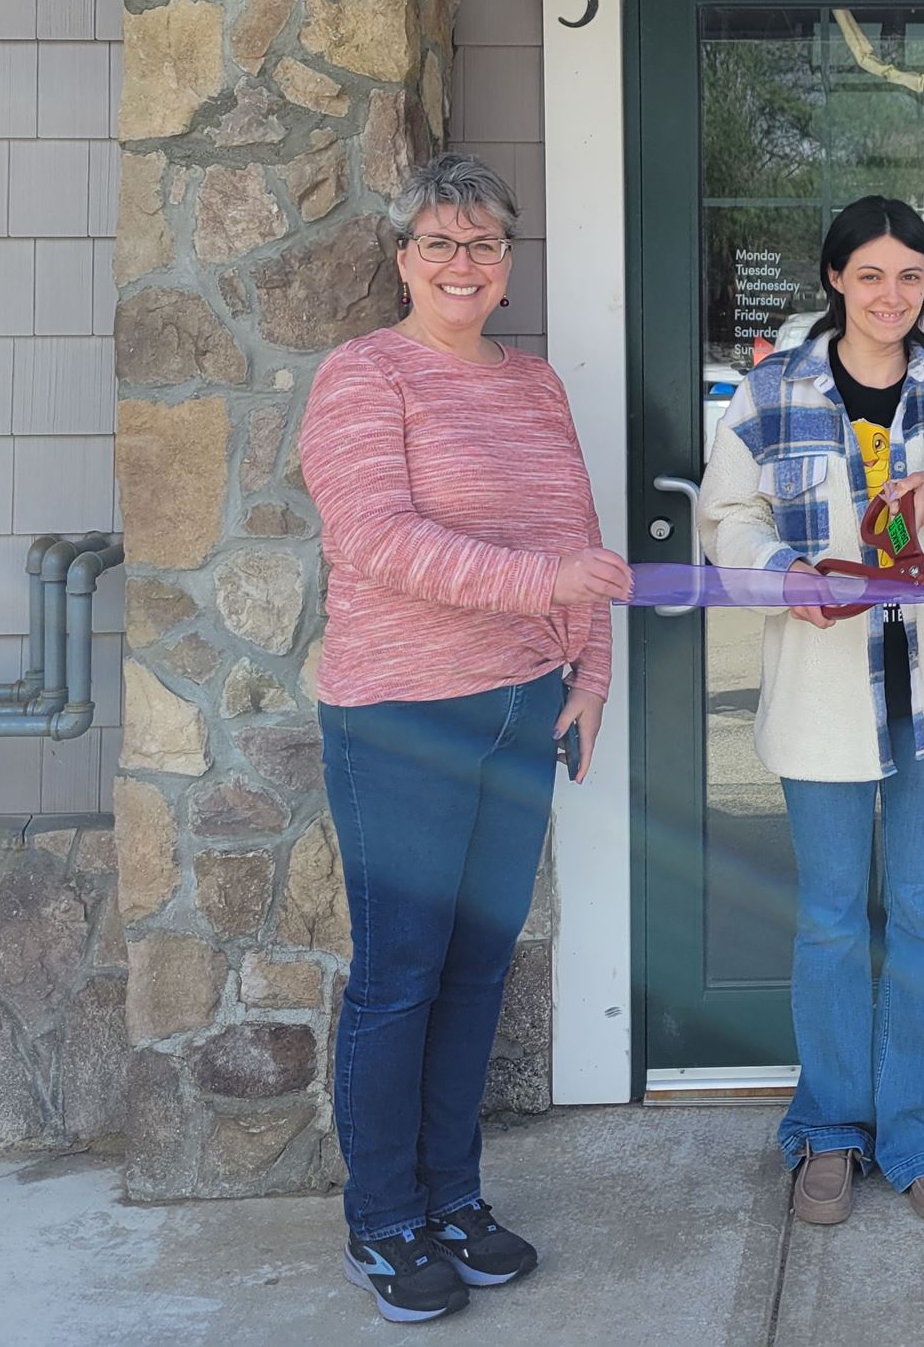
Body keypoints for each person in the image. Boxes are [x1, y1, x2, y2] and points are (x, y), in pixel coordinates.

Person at [298, 152, 633, 1325]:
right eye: (438, 242)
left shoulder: (533, 384)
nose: (461, 263)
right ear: (401, 259)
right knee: (401, 975)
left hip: (520, 706)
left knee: (478, 966)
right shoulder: (361, 378)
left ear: (505, 267)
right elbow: (377, 539)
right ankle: (383, 1221)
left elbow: (579, 537)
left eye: (484, 244)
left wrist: (586, 673)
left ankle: (452, 1199)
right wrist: (540, 580)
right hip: (398, 717)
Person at [696, 197, 924, 1228]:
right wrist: (782, 575)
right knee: (834, 919)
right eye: (872, 275)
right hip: (822, 690)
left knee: (922, 913)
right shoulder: (770, 392)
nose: (892, 296)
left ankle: (923, 1130)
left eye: (910, 277)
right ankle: (829, 1130)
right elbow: (725, 516)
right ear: (835, 279)